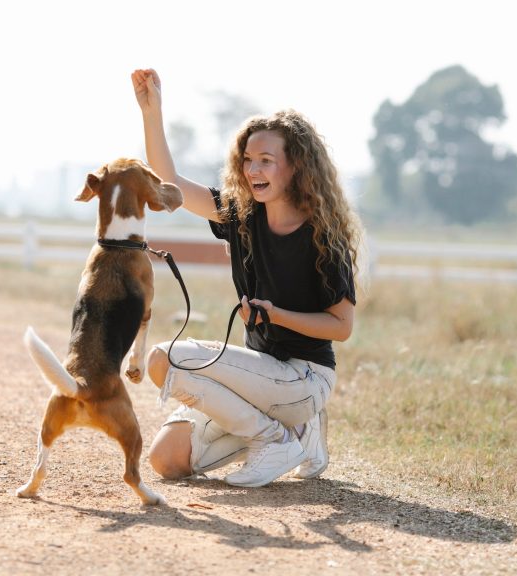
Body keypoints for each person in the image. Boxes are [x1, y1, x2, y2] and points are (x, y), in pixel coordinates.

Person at [131, 68, 364, 488]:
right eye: (248, 160)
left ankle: (275, 437)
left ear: (295, 168)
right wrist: (152, 112)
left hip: (304, 378)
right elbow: (171, 184)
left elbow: (342, 327)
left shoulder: (324, 237)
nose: (253, 169)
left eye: (266, 161)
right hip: (259, 378)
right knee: (167, 461)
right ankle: (297, 434)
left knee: (163, 358)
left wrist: (276, 314)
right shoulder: (241, 215)